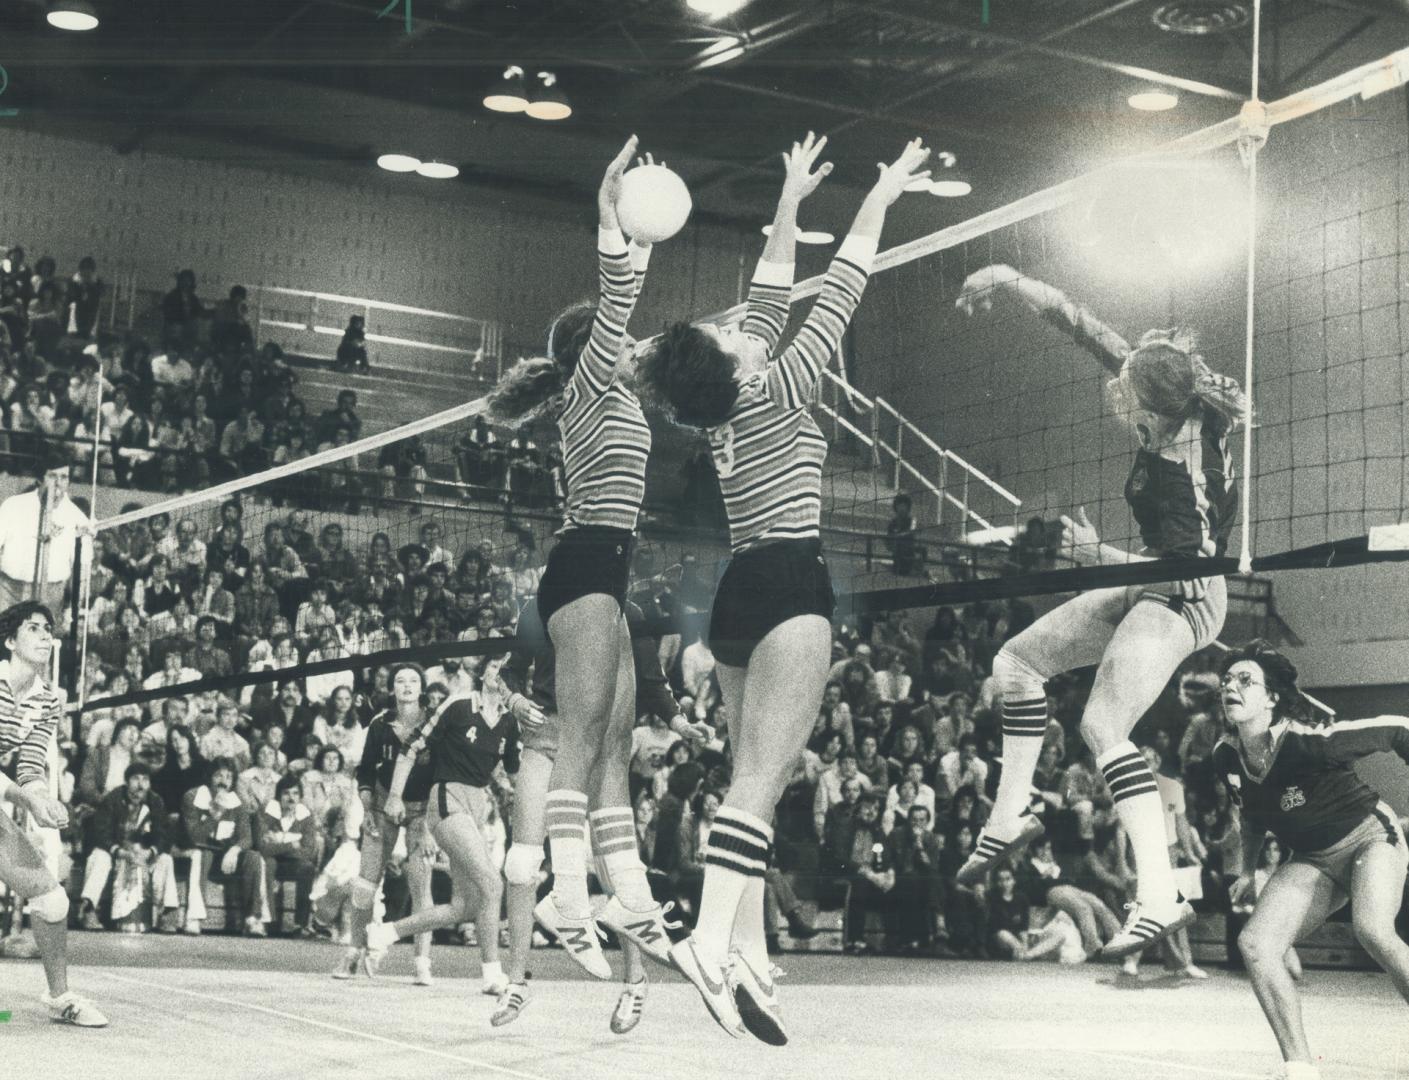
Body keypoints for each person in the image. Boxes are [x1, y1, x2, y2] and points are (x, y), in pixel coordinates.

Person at [637, 131, 931, 1042]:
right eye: (728, 335)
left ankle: (754, 959)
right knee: (760, 784)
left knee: (747, 777)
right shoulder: (787, 384)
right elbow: (843, 283)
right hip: (787, 580)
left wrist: (793, 197)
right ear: (737, 366)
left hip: (735, 590)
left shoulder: (738, 388)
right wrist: (879, 192)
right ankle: (706, 941)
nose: (738, 324)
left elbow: (771, 288)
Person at [953, 262, 1247, 958]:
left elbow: (1183, 568)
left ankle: (1158, 894)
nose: (1115, 398)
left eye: (1124, 395)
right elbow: (1084, 327)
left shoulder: (1185, 471)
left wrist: (1094, 556)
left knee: (1101, 723)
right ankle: (1009, 813)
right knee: (1015, 663)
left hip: (1186, 590)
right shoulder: (1163, 392)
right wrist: (1010, 279)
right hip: (1153, 576)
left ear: (1150, 409)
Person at [486, 136, 673, 968]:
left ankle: (626, 890)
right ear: (594, 349)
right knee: (582, 735)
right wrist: (616, 225)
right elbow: (618, 294)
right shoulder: (594, 379)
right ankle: (569, 897)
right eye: (616, 339)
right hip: (585, 567)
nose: (630, 346)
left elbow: (621, 305)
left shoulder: (600, 391)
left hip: (604, 568)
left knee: (616, 735)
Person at [491, 596, 709, 1030]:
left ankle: (635, 982)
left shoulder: (629, 612)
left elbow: (651, 681)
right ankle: (516, 982)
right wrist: (514, 700)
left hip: (601, 742)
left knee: (615, 870)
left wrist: (680, 723)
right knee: (521, 863)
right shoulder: (542, 604)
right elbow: (510, 672)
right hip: (547, 731)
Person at [1216, 641, 1409, 1080]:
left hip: (1370, 839)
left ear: (1271, 698)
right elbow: (1250, 815)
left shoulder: (1309, 742)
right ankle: (1300, 1067)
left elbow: (1399, 727)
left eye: (1246, 680)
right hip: (1313, 859)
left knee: (1373, 930)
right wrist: (1246, 870)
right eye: (1226, 681)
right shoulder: (1226, 756)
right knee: (1257, 946)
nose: (1231, 686)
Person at [365, 679, 521, 997]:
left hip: (477, 803)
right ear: (483, 673)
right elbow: (412, 747)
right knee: (492, 884)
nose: (499, 673)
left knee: (464, 906)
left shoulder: (509, 719)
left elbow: (514, 773)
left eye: (506, 669)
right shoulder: (459, 705)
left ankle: (385, 932)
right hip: (447, 797)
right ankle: (492, 974)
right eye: (494, 666)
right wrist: (394, 795)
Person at [0, 601, 109, 1025]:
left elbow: (29, 764)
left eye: (49, 629)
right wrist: (25, 801)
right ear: (10, 641)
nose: (46, 636)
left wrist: (42, 797)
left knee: (51, 899)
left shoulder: (48, 700)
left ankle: (60, 997)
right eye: (34, 628)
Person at [329, 664, 436, 986]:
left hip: (421, 813)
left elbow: (442, 776)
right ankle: (352, 953)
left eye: (413, 681)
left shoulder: (435, 723)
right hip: (381, 807)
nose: (406, 685)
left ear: (422, 688)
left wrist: (431, 825)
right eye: (400, 680)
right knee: (364, 888)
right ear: (392, 688)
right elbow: (364, 773)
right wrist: (367, 811)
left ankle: (422, 963)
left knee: (422, 889)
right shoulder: (379, 724)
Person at [0, 446, 92, 613]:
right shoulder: (13, 505)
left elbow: (83, 571)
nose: (58, 483)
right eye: (52, 476)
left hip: (52, 596)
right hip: (8, 593)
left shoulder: (78, 519)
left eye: (64, 477)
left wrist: (72, 608)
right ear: (40, 479)